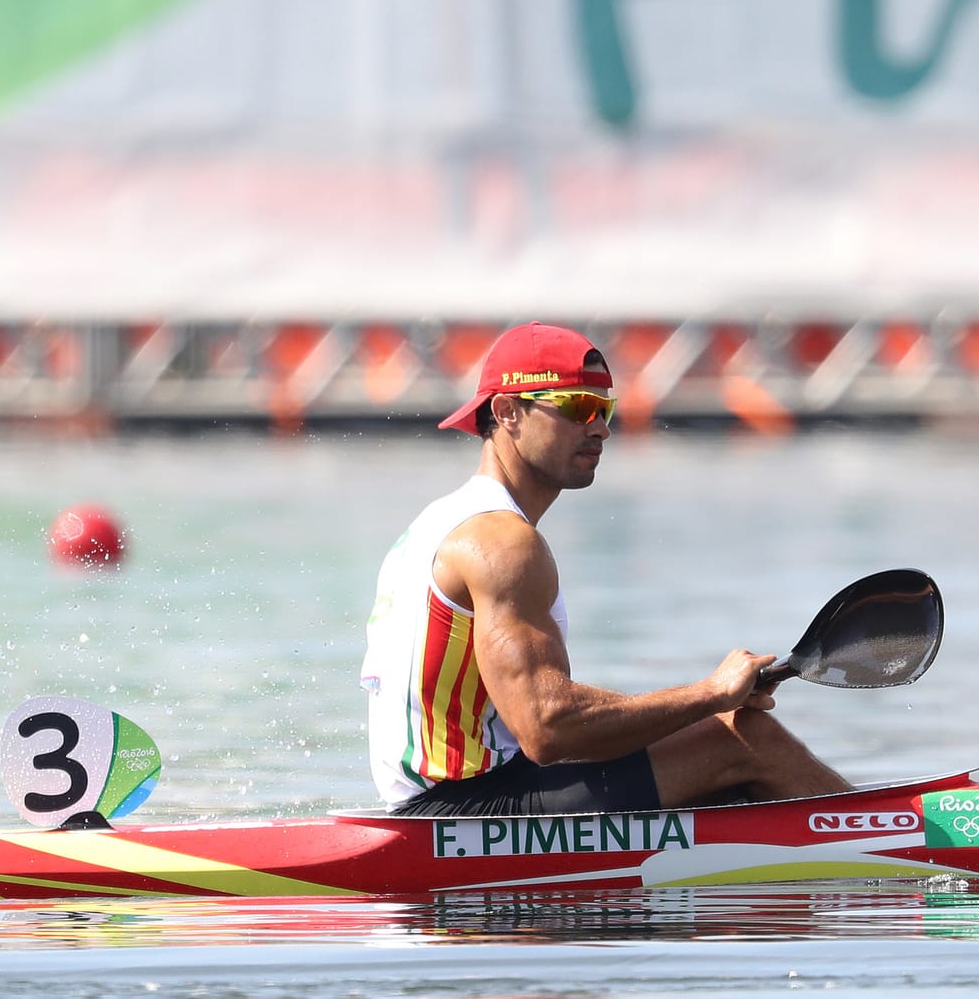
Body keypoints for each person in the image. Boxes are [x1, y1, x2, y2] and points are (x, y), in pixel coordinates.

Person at [360, 321, 850, 816]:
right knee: (743, 739)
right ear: (507, 411)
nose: (601, 427)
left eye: (604, 408)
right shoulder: (503, 544)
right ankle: (905, 839)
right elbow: (546, 727)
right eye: (576, 407)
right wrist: (711, 695)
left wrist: (695, 709)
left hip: (441, 799)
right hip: (462, 811)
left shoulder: (438, 521)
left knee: (701, 743)